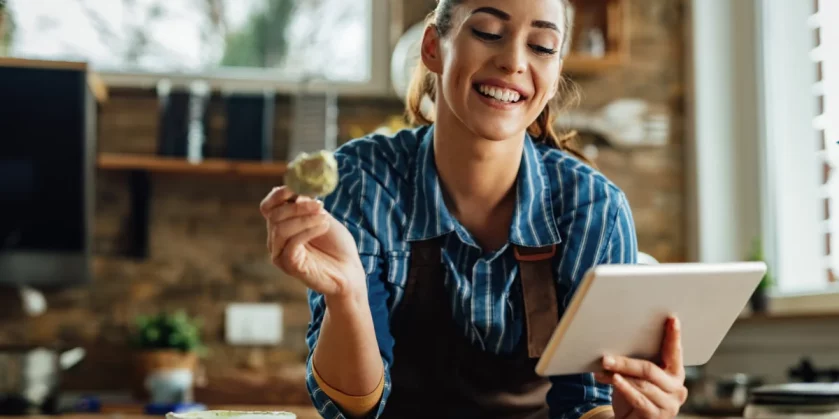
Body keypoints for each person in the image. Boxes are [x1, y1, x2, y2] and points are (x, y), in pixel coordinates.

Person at [259, 0, 689, 417]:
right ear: (433, 48)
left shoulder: (594, 209)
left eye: (541, 46)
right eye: (487, 32)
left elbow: (586, 403)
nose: (514, 61)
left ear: (556, 74)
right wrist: (347, 294)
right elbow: (349, 407)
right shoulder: (361, 182)